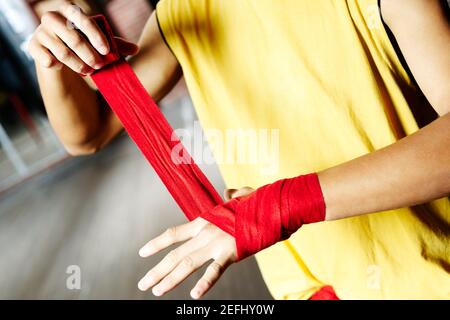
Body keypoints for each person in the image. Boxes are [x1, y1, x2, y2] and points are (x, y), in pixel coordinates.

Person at [28, 0, 449, 299]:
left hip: (426, 277)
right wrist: (52, 60)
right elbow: (87, 134)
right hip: (310, 289)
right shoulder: (182, 9)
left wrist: (281, 205)